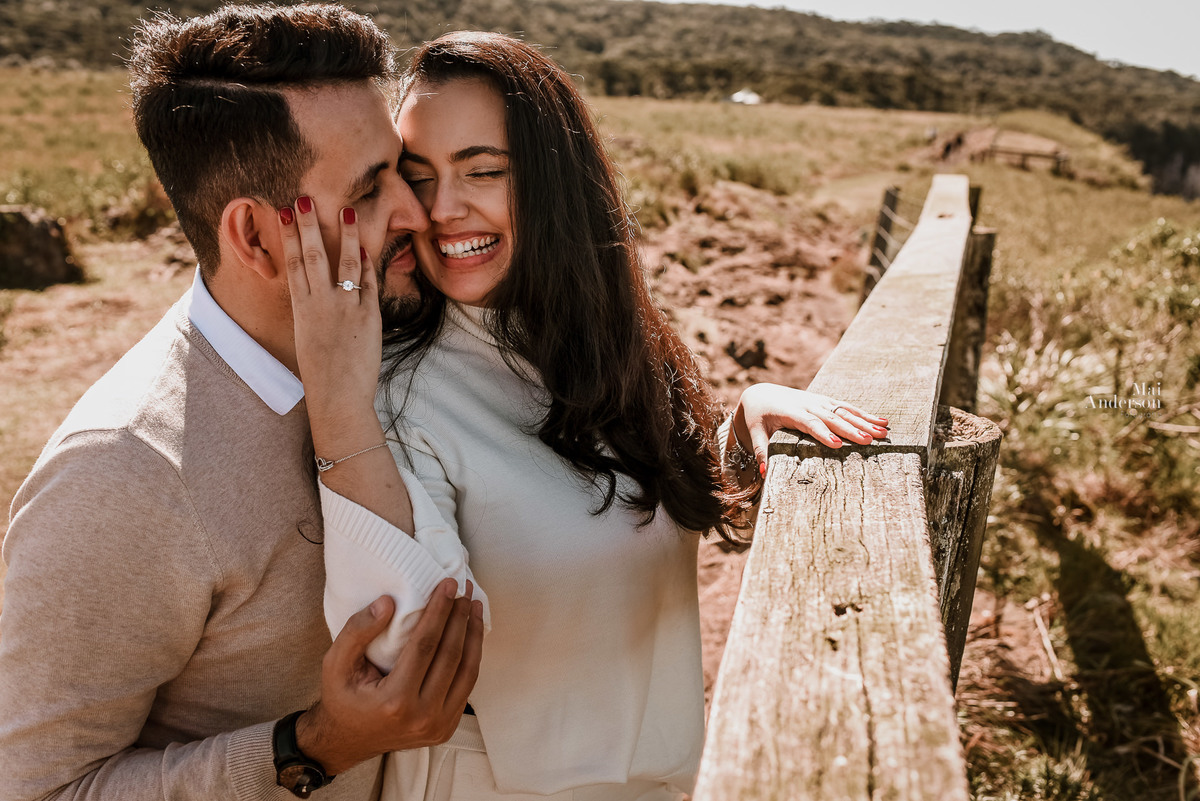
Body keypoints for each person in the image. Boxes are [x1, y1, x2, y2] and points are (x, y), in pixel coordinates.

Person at [285, 30, 889, 801]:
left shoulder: (613, 348)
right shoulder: (401, 394)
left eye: (483, 171)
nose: (440, 209)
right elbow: (406, 651)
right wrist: (341, 410)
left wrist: (743, 420)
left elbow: (634, 512)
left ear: (555, 181)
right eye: (420, 175)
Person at [0, 6, 486, 799]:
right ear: (257, 238)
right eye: (368, 190)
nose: (414, 213)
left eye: (400, 170)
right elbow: (42, 789)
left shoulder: (399, 337)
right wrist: (316, 745)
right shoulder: (122, 474)